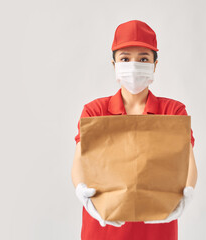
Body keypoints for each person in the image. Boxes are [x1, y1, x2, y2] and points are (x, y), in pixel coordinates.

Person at [71, 19, 197, 240]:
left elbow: (188, 161)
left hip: (157, 231)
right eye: (125, 58)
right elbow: (79, 161)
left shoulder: (173, 111)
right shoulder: (94, 111)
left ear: (155, 65)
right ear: (114, 65)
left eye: (143, 59)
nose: (134, 65)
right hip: (103, 231)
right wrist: (81, 190)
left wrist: (188, 192)